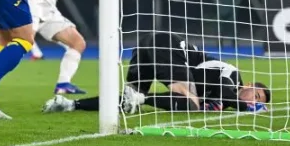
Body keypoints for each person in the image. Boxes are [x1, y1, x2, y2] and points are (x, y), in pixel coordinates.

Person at [42, 31, 270, 115]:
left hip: (148, 49)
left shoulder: (222, 96)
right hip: (166, 45)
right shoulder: (232, 74)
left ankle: (70, 105)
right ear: (248, 84)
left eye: (256, 100)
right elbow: (226, 93)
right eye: (256, 95)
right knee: (191, 102)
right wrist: (248, 108)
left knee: (123, 103)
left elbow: (224, 99)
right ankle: (142, 99)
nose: (253, 99)